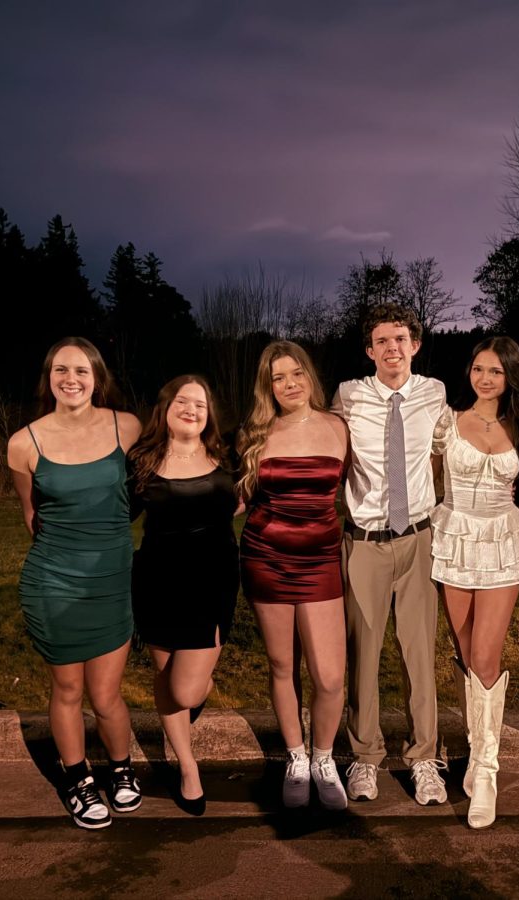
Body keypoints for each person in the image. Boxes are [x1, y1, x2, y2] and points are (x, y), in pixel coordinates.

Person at [6, 337, 143, 830]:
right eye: (61, 369)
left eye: (81, 370)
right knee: (67, 688)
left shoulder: (126, 427)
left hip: (112, 580)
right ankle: (77, 778)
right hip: (55, 582)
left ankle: (122, 769)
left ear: (97, 377)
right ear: (49, 378)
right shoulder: (25, 443)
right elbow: (31, 516)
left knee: (106, 693)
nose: (71, 378)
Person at [331, 303, 449, 806]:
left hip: (418, 538)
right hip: (364, 542)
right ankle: (365, 758)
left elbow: (451, 449)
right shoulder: (349, 396)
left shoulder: (434, 393)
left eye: (400, 339)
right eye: (382, 341)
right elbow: (323, 450)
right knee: (364, 655)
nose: (392, 348)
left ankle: (424, 758)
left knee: (419, 655)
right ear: (369, 350)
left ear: (415, 345)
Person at [238, 341, 350, 811]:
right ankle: (297, 758)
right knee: (283, 666)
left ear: (310, 376)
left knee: (328, 675)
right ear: (268, 387)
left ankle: (325, 757)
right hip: (266, 556)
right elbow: (233, 498)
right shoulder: (255, 434)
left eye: (296, 373)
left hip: (321, 559)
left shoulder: (338, 427)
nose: (289, 384)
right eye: (278, 378)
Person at [432, 335, 519, 829]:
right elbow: (430, 479)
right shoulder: (447, 423)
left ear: (510, 375)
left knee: (485, 656)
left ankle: (487, 769)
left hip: (501, 542)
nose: (485, 378)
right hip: (454, 537)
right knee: (465, 650)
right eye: (478, 368)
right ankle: (475, 750)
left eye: (495, 370)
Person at [128, 375, 240, 817]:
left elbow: (250, 495)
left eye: (200, 403)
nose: (191, 409)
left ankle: (199, 692)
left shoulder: (227, 455)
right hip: (157, 580)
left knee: (186, 689)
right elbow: (117, 512)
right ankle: (187, 766)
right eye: (182, 401)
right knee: (167, 682)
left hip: (210, 582)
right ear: (165, 407)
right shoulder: (141, 459)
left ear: (209, 413)